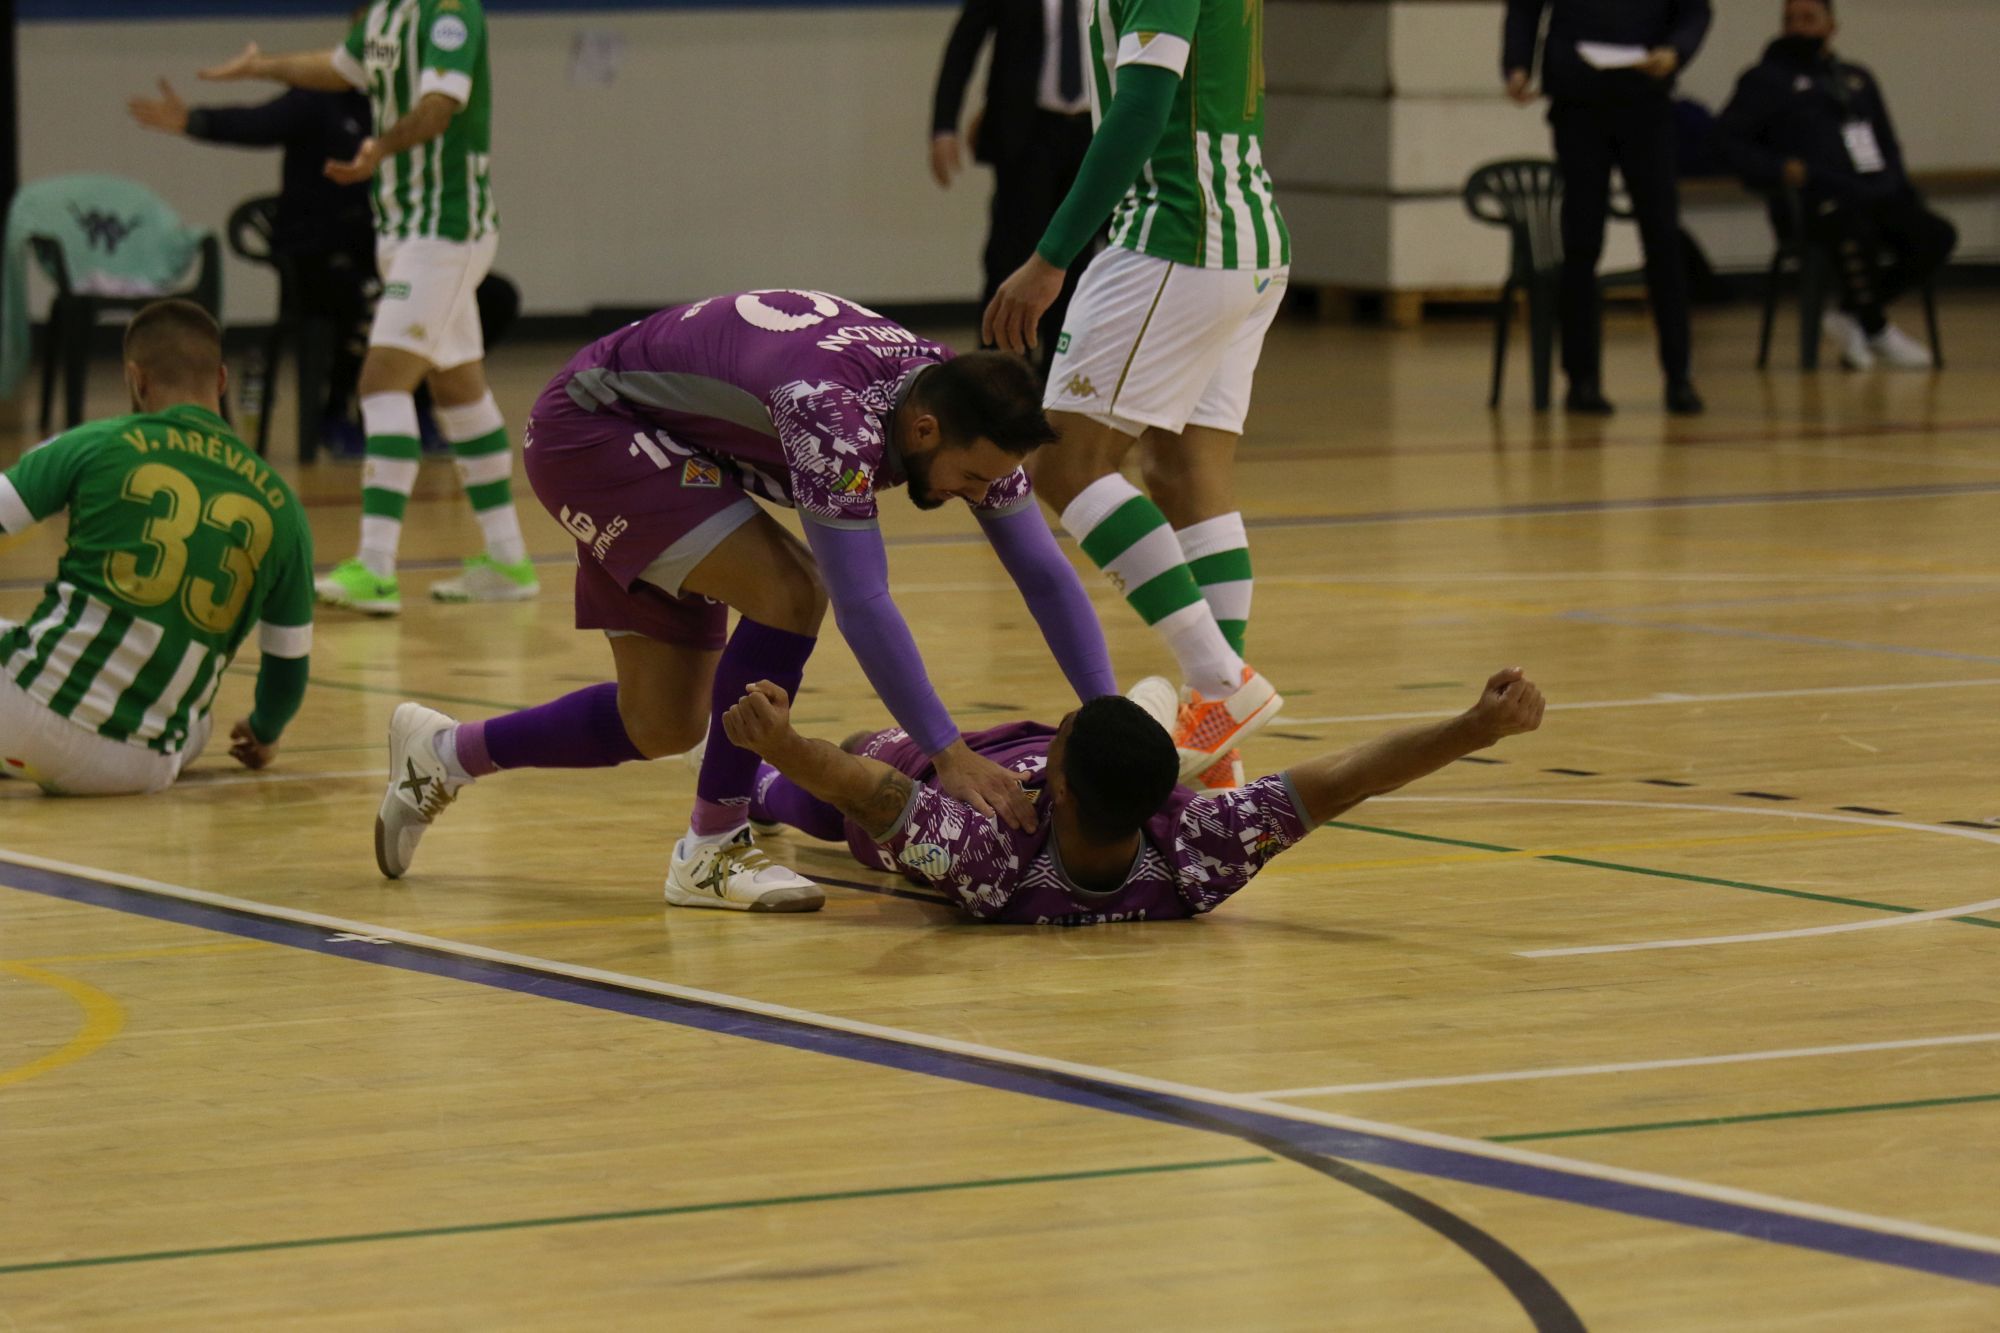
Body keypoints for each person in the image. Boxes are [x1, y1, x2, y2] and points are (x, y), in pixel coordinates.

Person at [373, 289, 1118, 912]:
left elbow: (1043, 571)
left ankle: (443, 754)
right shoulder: (834, 413)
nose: (978, 496)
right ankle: (712, 848)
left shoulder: (961, 404)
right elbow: (862, 601)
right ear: (923, 431)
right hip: (596, 432)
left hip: (666, 440)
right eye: (972, 478)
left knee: (663, 721)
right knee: (795, 590)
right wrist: (947, 754)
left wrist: (1108, 722)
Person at [981, 0, 1291, 793]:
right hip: (1244, 238)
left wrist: (1051, 256)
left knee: (1062, 461)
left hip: (1178, 233)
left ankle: (1221, 681)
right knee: (1187, 474)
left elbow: (1144, 106)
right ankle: (1216, 741)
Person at [718, 668, 1545, 926]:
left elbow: (874, 790)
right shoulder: (1199, 850)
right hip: (1046, 764)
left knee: (841, 792)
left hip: (960, 781)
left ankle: (756, 786)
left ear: (1062, 790)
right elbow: (1349, 776)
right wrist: (1475, 728)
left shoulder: (992, 858)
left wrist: (784, 747)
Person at [198, 0, 536, 613]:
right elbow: (340, 67)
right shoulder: (382, 16)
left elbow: (439, 109)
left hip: (447, 228)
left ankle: (376, 567)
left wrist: (380, 147)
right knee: (458, 389)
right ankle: (509, 560)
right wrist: (262, 68)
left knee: (381, 381)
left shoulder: (449, 15)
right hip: (405, 231)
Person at [0, 301, 313, 795]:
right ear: (222, 381)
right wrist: (265, 731)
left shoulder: (100, 443)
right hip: (141, 767)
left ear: (135, 379)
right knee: (198, 719)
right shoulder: (283, 508)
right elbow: (289, 667)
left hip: (25, 719)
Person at [126, 75, 376, 454]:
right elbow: (259, 122)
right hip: (316, 254)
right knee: (364, 298)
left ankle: (423, 407)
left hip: (385, 255)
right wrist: (196, 121)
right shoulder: (318, 98)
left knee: (469, 297)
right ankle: (334, 412)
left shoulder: (410, 104)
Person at [1714, 0, 1955, 371]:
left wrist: (1892, 180)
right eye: (1789, 20)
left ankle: (1852, 314)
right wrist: (1778, 167)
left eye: (1808, 19)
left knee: (1936, 234)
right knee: (1850, 226)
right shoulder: (1765, 80)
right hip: (1813, 200)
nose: (1797, 28)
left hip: (1871, 192)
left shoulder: (1857, 79)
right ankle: (1876, 328)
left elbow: (1886, 142)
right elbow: (1726, 142)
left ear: (1831, 27)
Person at [1503, 0, 1712, 416]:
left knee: (1663, 240)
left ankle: (1679, 375)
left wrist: (1676, 50)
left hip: (1646, 100)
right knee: (1581, 242)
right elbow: (1525, 8)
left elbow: (1694, 10)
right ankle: (1582, 380)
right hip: (1578, 100)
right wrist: (1517, 63)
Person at [929, 0, 1097, 373]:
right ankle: (999, 379)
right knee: (1010, 256)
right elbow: (963, 46)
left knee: (1081, 263)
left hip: (1093, 134)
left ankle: (1063, 378)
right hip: (1028, 135)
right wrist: (944, 127)